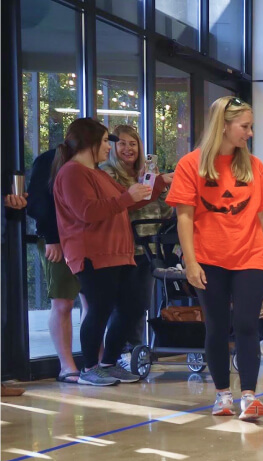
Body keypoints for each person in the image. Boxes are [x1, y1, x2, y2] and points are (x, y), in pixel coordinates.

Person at [169, 96, 263, 420]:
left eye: (250, 127)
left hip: (250, 257)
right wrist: (190, 263)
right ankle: (222, 395)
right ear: (224, 125)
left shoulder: (254, 167)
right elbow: (184, 218)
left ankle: (248, 396)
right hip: (209, 259)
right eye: (244, 127)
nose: (249, 133)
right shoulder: (190, 165)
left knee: (247, 324)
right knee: (216, 327)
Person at [53, 118, 169, 386]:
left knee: (131, 307)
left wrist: (160, 181)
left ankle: (109, 362)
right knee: (100, 308)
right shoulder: (72, 173)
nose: (110, 147)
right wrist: (128, 196)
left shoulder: (98, 173)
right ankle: (90, 367)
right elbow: (88, 212)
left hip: (119, 251)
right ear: (90, 142)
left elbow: (133, 199)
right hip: (93, 253)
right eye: (106, 141)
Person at [14, 146, 100, 385]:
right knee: (62, 301)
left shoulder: (95, 166)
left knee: (92, 302)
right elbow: (38, 203)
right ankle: (66, 365)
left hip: (87, 240)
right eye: (103, 141)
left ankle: (95, 361)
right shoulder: (52, 160)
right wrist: (51, 237)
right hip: (58, 240)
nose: (106, 147)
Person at [99, 124, 174, 352]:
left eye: (133, 143)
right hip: (123, 248)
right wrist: (149, 186)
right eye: (122, 143)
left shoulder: (148, 174)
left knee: (140, 305)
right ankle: (116, 354)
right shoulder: (107, 173)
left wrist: (159, 187)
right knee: (123, 307)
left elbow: (165, 210)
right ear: (112, 146)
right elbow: (123, 205)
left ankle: (135, 351)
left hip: (149, 248)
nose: (128, 148)